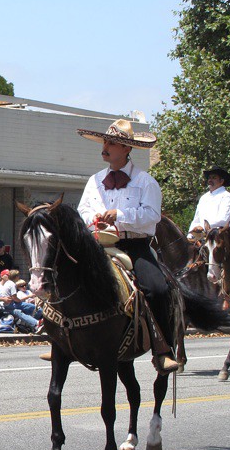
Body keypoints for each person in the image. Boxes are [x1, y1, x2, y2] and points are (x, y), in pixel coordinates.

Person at [75, 118, 179, 373]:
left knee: (157, 289)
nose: (105, 146)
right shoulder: (95, 180)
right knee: (65, 278)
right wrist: (95, 219)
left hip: (135, 246)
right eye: (105, 142)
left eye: (112, 143)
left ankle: (162, 349)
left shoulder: (146, 182)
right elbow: (83, 211)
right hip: (97, 246)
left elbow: (152, 215)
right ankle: (61, 340)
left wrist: (119, 215)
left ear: (126, 149)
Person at [187, 166, 230, 239]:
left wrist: (202, 227)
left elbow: (223, 220)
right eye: (209, 178)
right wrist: (190, 235)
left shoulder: (226, 197)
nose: (210, 180)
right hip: (201, 236)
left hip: (221, 236)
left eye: (214, 178)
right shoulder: (204, 197)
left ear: (221, 181)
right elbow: (196, 219)